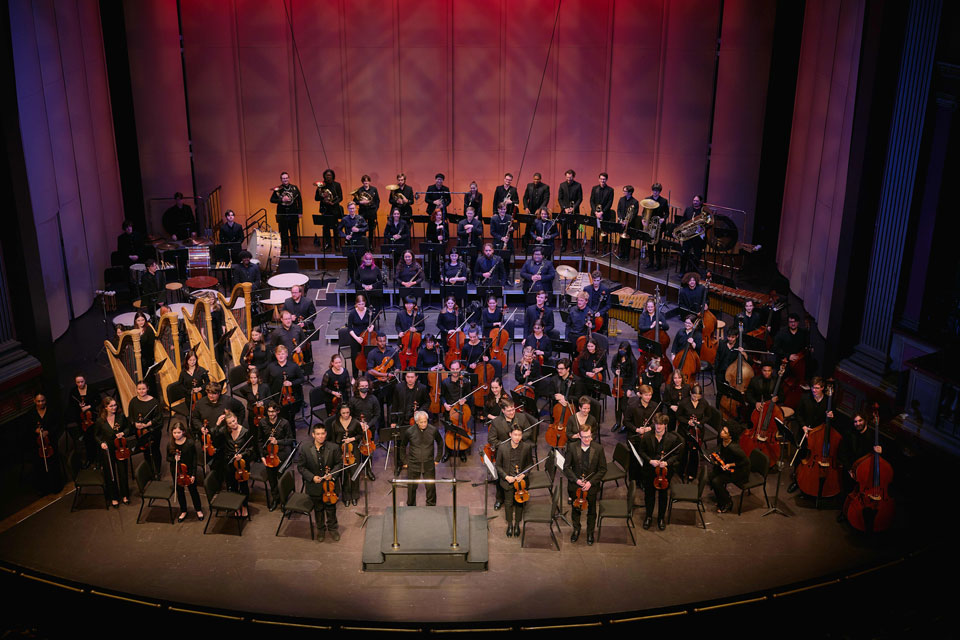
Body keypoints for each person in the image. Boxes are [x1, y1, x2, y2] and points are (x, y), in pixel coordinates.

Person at [787, 377, 835, 494]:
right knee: (800, 457)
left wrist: (832, 417)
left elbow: (829, 423)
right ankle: (796, 480)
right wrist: (803, 427)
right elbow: (798, 415)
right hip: (805, 433)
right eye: (813, 387)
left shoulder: (828, 402)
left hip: (818, 436)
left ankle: (809, 481)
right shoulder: (805, 398)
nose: (814, 390)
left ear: (823, 388)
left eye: (817, 388)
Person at [639, 414, 685, 530]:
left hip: (664, 472)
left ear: (665, 425)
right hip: (649, 470)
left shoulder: (672, 439)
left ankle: (661, 518)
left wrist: (667, 463)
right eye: (656, 424)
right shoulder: (647, 436)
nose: (658, 427)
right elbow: (641, 451)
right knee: (649, 495)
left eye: (661, 424)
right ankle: (648, 516)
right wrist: (650, 461)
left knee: (663, 496)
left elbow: (676, 455)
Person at [297, 423, 342, 541]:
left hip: (330, 485)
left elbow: (339, 464)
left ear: (326, 434)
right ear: (313, 435)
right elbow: (301, 467)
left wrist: (332, 474)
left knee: (331, 508)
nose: (321, 436)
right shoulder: (305, 448)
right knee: (318, 509)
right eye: (318, 434)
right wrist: (312, 477)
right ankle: (321, 529)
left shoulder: (334, 447)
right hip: (314, 485)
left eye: (323, 434)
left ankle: (332, 528)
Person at [563, 425, 606, 544]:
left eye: (589, 437)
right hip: (576, 485)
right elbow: (566, 468)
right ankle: (576, 529)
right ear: (579, 436)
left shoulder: (598, 448)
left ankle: (590, 532)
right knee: (576, 509)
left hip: (591, 487)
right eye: (584, 437)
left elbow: (602, 469)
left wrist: (591, 482)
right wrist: (576, 480)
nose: (587, 439)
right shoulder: (572, 447)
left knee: (591, 510)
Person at [496, 424, 535, 537]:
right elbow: (498, 466)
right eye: (515, 435)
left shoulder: (526, 447)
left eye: (519, 435)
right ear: (510, 435)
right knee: (508, 504)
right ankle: (509, 524)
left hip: (521, 482)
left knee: (519, 503)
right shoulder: (502, 447)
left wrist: (524, 474)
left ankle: (517, 524)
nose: (517, 437)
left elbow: (530, 463)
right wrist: (506, 476)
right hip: (508, 481)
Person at [399, 410, 444, 506]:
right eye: (421, 422)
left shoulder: (433, 430)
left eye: (425, 421)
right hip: (413, 464)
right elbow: (402, 446)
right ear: (416, 422)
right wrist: (405, 461)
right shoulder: (409, 431)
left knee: (430, 487)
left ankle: (431, 506)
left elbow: (440, 443)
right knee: (411, 488)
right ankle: (411, 507)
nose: (424, 424)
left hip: (428, 464)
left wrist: (437, 458)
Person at [95, 397, 131, 507]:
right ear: (105, 407)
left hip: (120, 447)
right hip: (107, 449)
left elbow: (129, 428)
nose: (114, 407)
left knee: (123, 472)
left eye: (115, 405)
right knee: (110, 474)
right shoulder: (100, 421)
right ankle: (114, 497)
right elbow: (96, 435)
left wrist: (123, 433)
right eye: (111, 406)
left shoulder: (120, 416)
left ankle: (125, 495)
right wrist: (101, 443)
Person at [25, 393, 64, 496]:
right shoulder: (31, 413)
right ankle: (45, 488)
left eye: (42, 401)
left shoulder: (52, 411)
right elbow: (27, 429)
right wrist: (36, 430)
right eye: (38, 401)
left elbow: (58, 424)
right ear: (34, 401)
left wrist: (49, 432)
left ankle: (56, 486)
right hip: (38, 445)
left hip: (51, 442)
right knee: (40, 466)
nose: (40, 403)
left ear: (45, 401)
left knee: (54, 463)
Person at [326, 403, 363, 506]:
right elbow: (332, 439)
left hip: (353, 450)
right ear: (339, 413)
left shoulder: (355, 422)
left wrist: (352, 439)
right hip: (340, 450)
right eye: (343, 413)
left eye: (347, 412)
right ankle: (346, 497)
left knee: (354, 473)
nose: (346, 415)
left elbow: (360, 435)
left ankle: (355, 496)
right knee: (344, 475)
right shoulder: (335, 423)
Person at [709, 423, 750, 512]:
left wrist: (729, 465)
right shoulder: (722, 440)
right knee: (711, 476)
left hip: (740, 471)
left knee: (716, 481)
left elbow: (745, 462)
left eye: (725, 432)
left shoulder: (734, 448)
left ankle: (727, 502)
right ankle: (723, 497)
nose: (721, 432)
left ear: (730, 436)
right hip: (729, 466)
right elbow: (723, 452)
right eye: (722, 430)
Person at [167, 420, 203, 521]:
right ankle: (183, 511)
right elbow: (168, 458)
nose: (176, 435)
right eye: (174, 433)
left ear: (183, 432)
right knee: (180, 492)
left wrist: (193, 475)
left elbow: (194, 460)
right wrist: (174, 459)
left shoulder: (190, 443)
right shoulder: (170, 444)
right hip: (176, 472)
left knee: (193, 491)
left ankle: (198, 510)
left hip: (189, 471)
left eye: (178, 432)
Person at [264, 344, 305, 426]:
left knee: (290, 420)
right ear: (275, 355)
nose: (280, 356)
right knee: (277, 420)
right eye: (278, 354)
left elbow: (302, 379)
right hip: (276, 398)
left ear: (286, 354)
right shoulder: (270, 367)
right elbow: (265, 382)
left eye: (283, 354)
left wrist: (291, 383)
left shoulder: (294, 366)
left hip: (291, 398)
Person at [128, 380, 162, 478]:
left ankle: (157, 471)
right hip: (139, 432)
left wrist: (147, 424)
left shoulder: (154, 402)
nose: (141, 391)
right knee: (145, 451)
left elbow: (158, 419)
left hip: (152, 430)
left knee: (155, 450)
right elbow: (130, 417)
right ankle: (149, 471)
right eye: (139, 389)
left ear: (147, 389)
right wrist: (135, 424)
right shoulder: (133, 402)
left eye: (143, 389)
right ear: (136, 390)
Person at [349, 377, 380, 482]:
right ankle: (357, 468)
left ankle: (368, 469)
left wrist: (368, 425)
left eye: (366, 386)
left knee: (368, 449)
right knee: (357, 450)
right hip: (357, 429)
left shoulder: (373, 399)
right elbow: (350, 416)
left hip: (370, 429)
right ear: (357, 387)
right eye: (362, 386)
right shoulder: (352, 400)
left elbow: (377, 414)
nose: (364, 388)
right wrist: (359, 423)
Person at [441, 362, 472, 462]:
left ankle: (462, 452)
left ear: (460, 369)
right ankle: (447, 452)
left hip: (462, 410)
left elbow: (470, 395)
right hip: (449, 410)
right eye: (453, 369)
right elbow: (442, 396)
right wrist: (445, 404)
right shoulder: (445, 382)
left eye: (457, 369)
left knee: (461, 430)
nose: (455, 371)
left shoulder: (466, 382)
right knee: (448, 430)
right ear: (450, 369)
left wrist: (465, 400)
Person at [270, 173, 302, 252]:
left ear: (289, 178)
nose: (285, 180)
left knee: (293, 230)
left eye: (286, 178)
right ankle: (284, 246)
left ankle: (295, 246)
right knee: (283, 230)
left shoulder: (294, 188)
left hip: (293, 212)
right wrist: (281, 200)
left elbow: (300, 201)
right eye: (283, 178)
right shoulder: (278, 189)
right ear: (281, 180)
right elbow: (272, 200)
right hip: (282, 212)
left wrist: (300, 212)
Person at [340, 202, 369, 285]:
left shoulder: (360, 218)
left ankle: (358, 278)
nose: (352, 210)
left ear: (355, 209)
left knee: (358, 261)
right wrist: (345, 236)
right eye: (350, 208)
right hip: (349, 242)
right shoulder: (345, 219)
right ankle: (350, 278)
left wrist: (358, 230)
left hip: (359, 242)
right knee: (350, 262)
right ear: (348, 209)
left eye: (353, 208)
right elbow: (339, 230)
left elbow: (366, 227)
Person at [611, 342, 637, 432]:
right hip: (617, 383)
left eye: (624, 350)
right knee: (617, 405)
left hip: (627, 383)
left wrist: (630, 389)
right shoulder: (616, 357)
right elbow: (612, 367)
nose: (622, 351)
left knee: (624, 406)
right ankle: (617, 423)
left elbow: (634, 376)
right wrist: (615, 372)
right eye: (621, 349)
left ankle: (625, 424)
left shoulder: (632, 361)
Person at [677, 195, 707, 274]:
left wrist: (702, 228)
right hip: (688, 236)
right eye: (694, 200)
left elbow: (707, 224)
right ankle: (682, 271)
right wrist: (681, 229)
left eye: (697, 201)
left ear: (700, 202)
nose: (695, 202)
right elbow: (683, 220)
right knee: (684, 253)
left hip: (697, 237)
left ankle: (694, 273)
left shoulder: (703, 211)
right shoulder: (688, 209)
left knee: (697, 255)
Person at [315, 169, 343, 251]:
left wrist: (333, 203)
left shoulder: (337, 185)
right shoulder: (321, 185)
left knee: (335, 227)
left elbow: (340, 197)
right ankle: (327, 244)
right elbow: (316, 198)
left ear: (333, 176)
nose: (328, 177)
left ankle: (337, 244)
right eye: (327, 175)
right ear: (324, 176)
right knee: (325, 227)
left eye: (330, 175)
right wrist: (323, 197)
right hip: (324, 209)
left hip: (334, 208)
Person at [346, 293, 375, 373]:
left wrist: (372, 327)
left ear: (365, 303)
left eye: (363, 304)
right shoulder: (352, 313)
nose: (361, 306)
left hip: (366, 337)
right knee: (354, 356)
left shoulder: (369, 312)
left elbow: (372, 323)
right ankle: (355, 376)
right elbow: (349, 328)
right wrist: (357, 338)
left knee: (366, 355)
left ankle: (364, 374)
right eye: (359, 304)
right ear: (356, 304)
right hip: (355, 337)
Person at [644, 183, 669, 269]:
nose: (655, 192)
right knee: (650, 244)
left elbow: (667, 213)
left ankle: (658, 263)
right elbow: (644, 211)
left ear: (659, 191)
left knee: (658, 245)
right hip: (650, 224)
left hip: (659, 225)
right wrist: (643, 219)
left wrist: (663, 219)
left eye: (657, 191)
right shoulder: (647, 199)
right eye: (654, 190)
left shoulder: (663, 201)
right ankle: (650, 262)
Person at [556, 169, 582, 251]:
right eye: (567, 177)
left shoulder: (578, 185)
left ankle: (574, 245)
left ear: (573, 177)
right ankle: (564, 245)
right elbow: (560, 199)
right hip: (565, 211)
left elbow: (580, 198)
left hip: (574, 211)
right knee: (564, 229)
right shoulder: (562, 185)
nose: (568, 179)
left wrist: (573, 208)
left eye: (570, 178)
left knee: (574, 229)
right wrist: (565, 208)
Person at [320, 354, 353, 419]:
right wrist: (333, 392)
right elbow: (323, 387)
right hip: (331, 399)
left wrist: (349, 400)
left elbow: (348, 386)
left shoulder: (345, 371)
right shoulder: (328, 374)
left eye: (339, 362)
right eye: (336, 363)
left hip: (343, 396)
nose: (338, 364)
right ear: (332, 363)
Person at [178, 350, 209, 416]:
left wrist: (200, 388)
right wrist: (189, 391)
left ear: (196, 359)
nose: (192, 362)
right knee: (193, 414)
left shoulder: (201, 370)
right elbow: (180, 385)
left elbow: (207, 382)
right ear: (186, 360)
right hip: (189, 397)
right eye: (190, 360)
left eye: (194, 360)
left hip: (202, 395)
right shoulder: (183, 372)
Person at [522, 172, 550, 245]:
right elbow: (525, 198)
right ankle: (526, 246)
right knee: (528, 228)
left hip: (540, 212)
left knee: (538, 228)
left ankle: (538, 244)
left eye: (537, 179)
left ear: (540, 179)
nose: (536, 181)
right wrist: (526, 207)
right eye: (534, 179)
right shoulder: (529, 186)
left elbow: (546, 200)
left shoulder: (545, 187)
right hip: (530, 210)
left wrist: (540, 210)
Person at [589, 173, 614, 253]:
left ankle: (604, 249)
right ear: (599, 179)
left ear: (606, 180)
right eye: (601, 179)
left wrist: (602, 212)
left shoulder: (610, 190)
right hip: (595, 213)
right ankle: (595, 248)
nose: (602, 181)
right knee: (595, 231)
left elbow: (610, 203)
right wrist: (595, 212)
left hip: (605, 214)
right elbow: (591, 201)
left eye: (604, 179)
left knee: (604, 232)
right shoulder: (594, 188)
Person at [353, 174, 380, 245]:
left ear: (369, 182)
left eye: (367, 181)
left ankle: (370, 244)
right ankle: (364, 244)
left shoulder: (374, 189)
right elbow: (355, 201)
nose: (366, 183)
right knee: (363, 228)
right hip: (362, 211)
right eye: (364, 182)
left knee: (371, 228)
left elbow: (377, 200)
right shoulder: (359, 190)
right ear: (362, 182)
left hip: (371, 211)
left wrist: (375, 209)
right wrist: (360, 202)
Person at [424, 208, 449, 283]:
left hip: (442, 245)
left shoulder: (444, 223)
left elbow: (448, 235)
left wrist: (443, 235)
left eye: (440, 215)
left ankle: (442, 276)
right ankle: (433, 277)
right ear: (434, 215)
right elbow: (428, 235)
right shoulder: (431, 223)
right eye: (437, 215)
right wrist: (436, 237)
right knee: (433, 261)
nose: (439, 216)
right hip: (434, 244)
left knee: (441, 261)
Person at [615, 185, 639, 261]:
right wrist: (621, 219)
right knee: (621, 239)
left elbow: (634, 214)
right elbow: (618, 210)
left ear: (630, 192)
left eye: (625, 191)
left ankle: (626, 255)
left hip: (629, 224)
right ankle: (621, 253)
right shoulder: (621, 199)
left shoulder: (635, 202)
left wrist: (627, 221)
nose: (623, 192)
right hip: (622, 222)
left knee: (627, 240)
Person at [585, 270, 611, 336]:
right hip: (589, 313)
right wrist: (590, 311)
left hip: (600, 314)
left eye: (597, 281)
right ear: (592, 280)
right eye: (594, 280)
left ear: (600, 280)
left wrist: (600, 312)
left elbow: (608, 305)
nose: (596, 283)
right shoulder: (587, 289)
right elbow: (584, 303)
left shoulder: (605, 289)